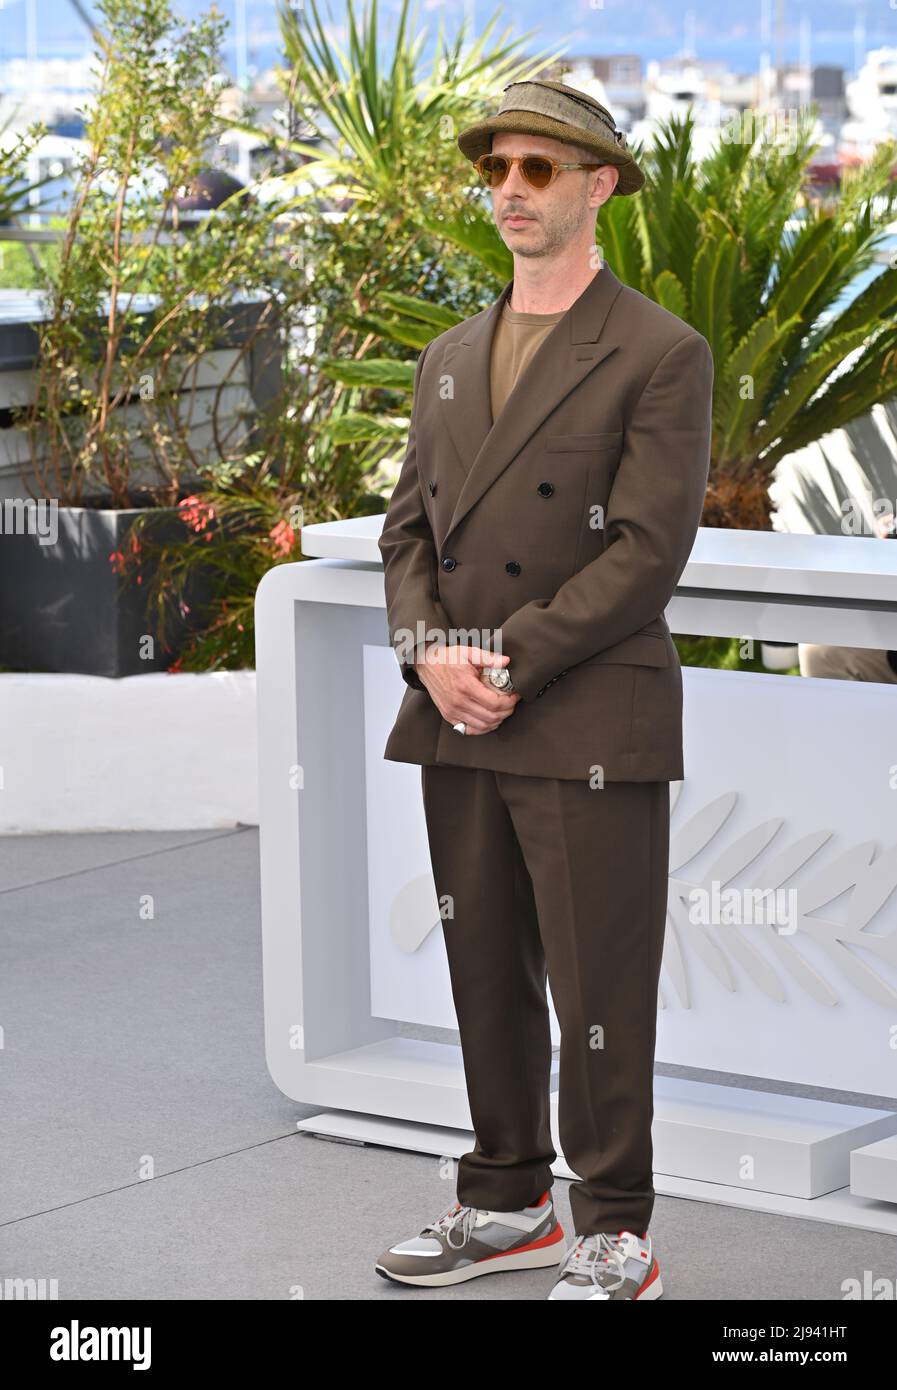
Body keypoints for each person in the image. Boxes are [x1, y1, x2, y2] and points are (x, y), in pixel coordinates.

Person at [374, 79, 714, 1300]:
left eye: (539, 169)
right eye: (497, 169)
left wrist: (500, 658)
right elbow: (407, 533)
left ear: (599, 184)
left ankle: (615, 1231)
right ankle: (505, 1201)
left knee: (599, 985)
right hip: (458, 709)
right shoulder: (449, 357)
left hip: (585, 714)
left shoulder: (661, 352)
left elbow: (647, 551)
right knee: (486, 971)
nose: (510, 190)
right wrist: (431, 651)